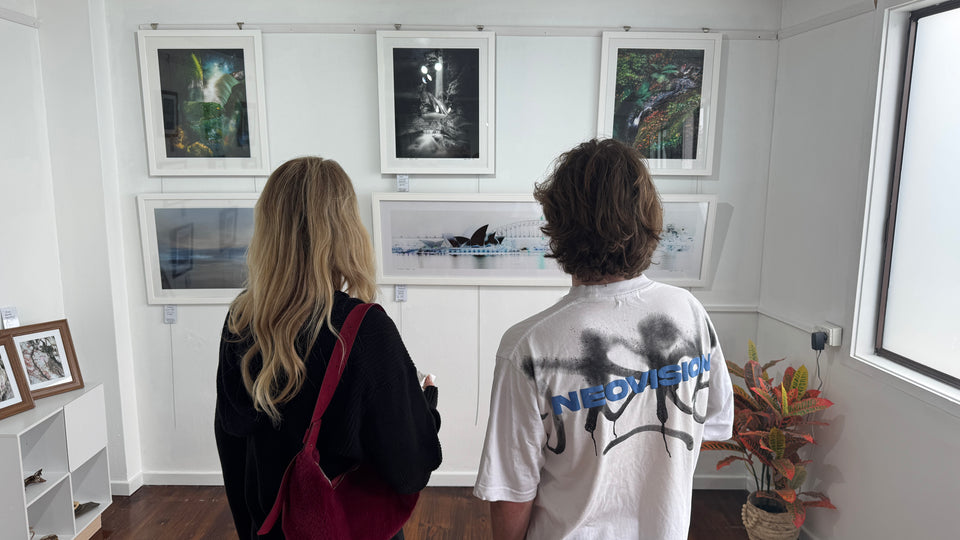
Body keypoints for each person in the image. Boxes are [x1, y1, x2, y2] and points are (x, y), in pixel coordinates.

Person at [473, 139, 734, 540]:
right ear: (647, 215)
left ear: (558, 225)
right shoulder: (689, 312)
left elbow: (512, 490)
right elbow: (711, 422)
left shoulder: (528, 348)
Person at [215, 157, 442, 540]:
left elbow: (231, 440)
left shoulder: (242, 321)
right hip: (348, 527)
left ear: (269, 229)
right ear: (346, 231)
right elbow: (410, 468)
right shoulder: (367, 329)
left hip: (271, 527)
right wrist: (426, 405)